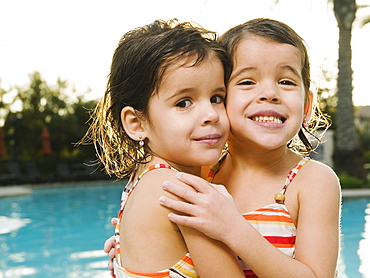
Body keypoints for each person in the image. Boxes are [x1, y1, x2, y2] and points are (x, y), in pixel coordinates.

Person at [105, 18, 341, 277]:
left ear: (306, 106)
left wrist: (234, 229)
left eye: (286, 82)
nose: (270, 93)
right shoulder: (197, 175)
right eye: (247, 82)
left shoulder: (313, 182)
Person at [85, 19, 249, 277]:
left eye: (217, 98)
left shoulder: (144, 180)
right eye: (184, 103)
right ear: (137, 123)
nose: (211, 114)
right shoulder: (181, 192)